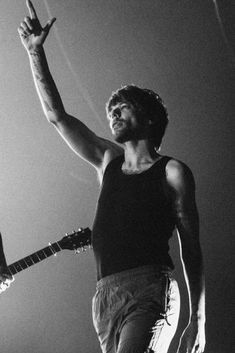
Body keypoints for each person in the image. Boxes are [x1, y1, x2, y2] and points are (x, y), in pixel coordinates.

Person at [18, 1, 206, 352]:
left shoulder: (172, 171)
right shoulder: (108, 161)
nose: (114, 113)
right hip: (105, 296)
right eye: (111, 111)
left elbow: (191, 248)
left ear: (149, 118)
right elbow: (57, 117)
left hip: (151, 287)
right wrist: (35, 54)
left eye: (123, 107)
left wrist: (198, 319)